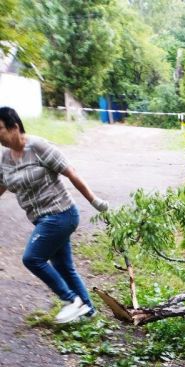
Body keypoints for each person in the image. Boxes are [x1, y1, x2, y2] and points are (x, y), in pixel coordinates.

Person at [0, 106, 109, 324]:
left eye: (0, 129)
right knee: (63, 267)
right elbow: (1, 186)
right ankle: (88, 312)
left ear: (14, 127)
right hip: (42, 219)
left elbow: (71, 172)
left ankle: (72, 300)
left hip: (61, 214)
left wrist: (94, 201)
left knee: (32, 258)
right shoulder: (6, 159)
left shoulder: (38, 146)